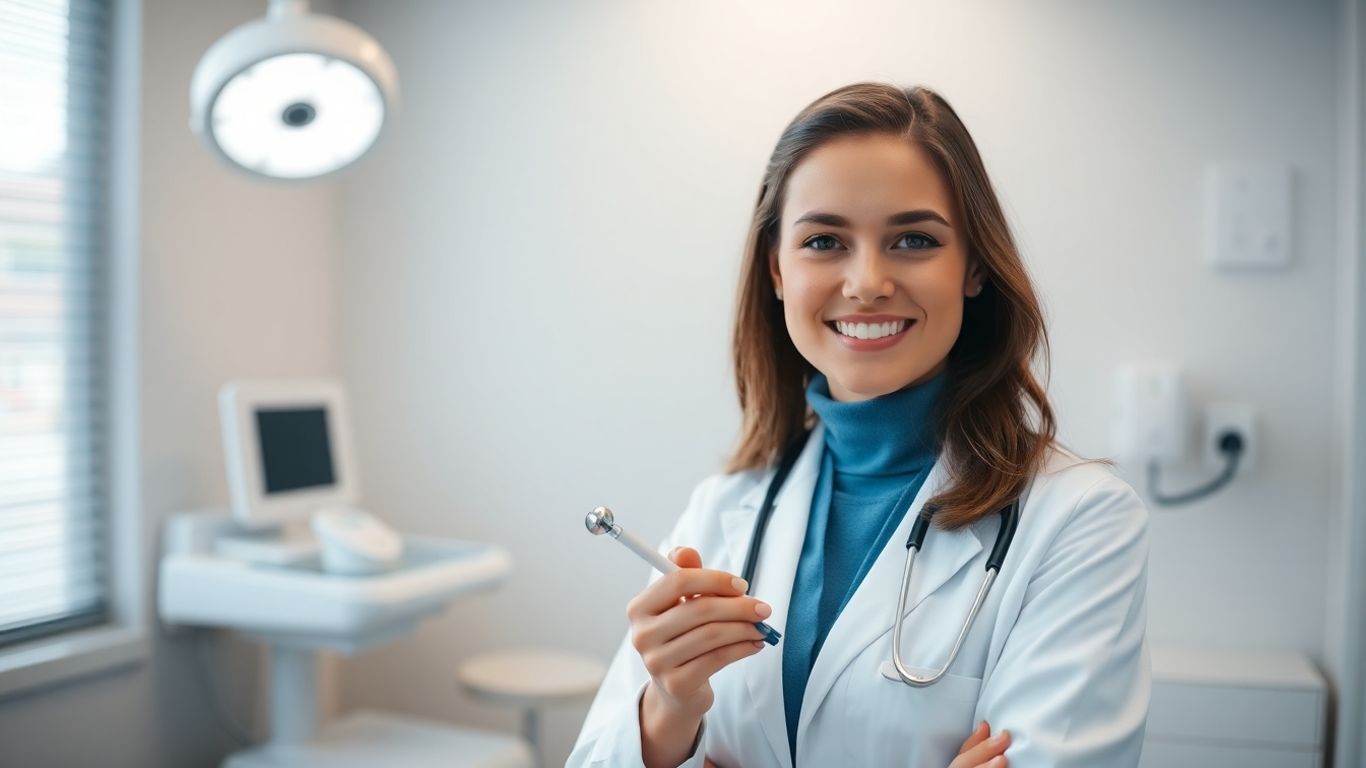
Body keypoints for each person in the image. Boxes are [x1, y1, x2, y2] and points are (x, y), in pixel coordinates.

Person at [567, 82, 1150, 768]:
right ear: (777, 272)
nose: (867, 281)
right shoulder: (722, 511)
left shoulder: (1080, 523)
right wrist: (669, 708)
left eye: (913, 239)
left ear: (973, 267)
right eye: (823, 240)